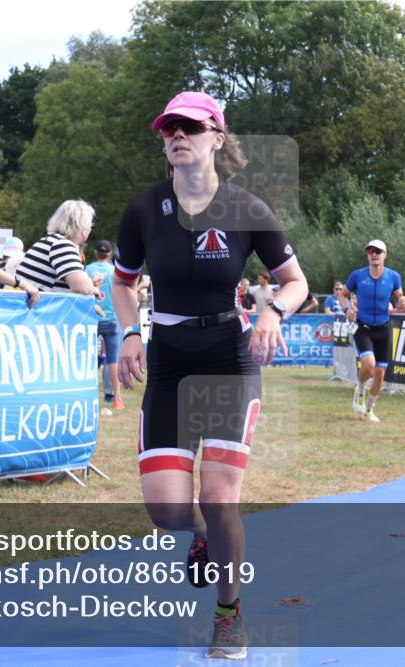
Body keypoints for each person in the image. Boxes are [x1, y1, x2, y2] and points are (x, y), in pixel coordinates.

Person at [114, 91, 307, 661]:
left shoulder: (248, 209)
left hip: (228, 354)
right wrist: (129, 332)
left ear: (217, 139)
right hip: (170, 360)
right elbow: (124, 282)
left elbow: (296, 281)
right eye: (169, 128)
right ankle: (201, 535)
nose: (177, 135)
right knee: (168, 510)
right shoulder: (144, 210)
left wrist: (272, 310)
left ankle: (229, 614)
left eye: (190, 127)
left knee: (221, 498)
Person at [343, 239, 405, 423]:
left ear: (385, 255)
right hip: (363, 327)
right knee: (368, 364)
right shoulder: (358, 275)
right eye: (370, 251)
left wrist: (402, 302)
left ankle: (369, 410)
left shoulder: (393, 276)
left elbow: (400, 297)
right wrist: (347, 309)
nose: (374, 254)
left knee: (379, 375)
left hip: (384, 329)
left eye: (378, 251)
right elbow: (342, 295)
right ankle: (360, 389)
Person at [16, 200, 101, 298]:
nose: (90, 230)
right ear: (82, 226)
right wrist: (93, 289)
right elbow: (83, 288)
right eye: (91, 226)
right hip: (41, 310)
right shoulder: (62, 245)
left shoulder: (48, 240)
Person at [86, 239, 124, 413]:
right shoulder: (114, 271)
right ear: (109, 254)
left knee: (87, 359)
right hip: (112, 318)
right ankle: (116, 398)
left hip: (92, 318)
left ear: (95, 253)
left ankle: (86, 394)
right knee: (113, 359)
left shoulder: (87, 269)